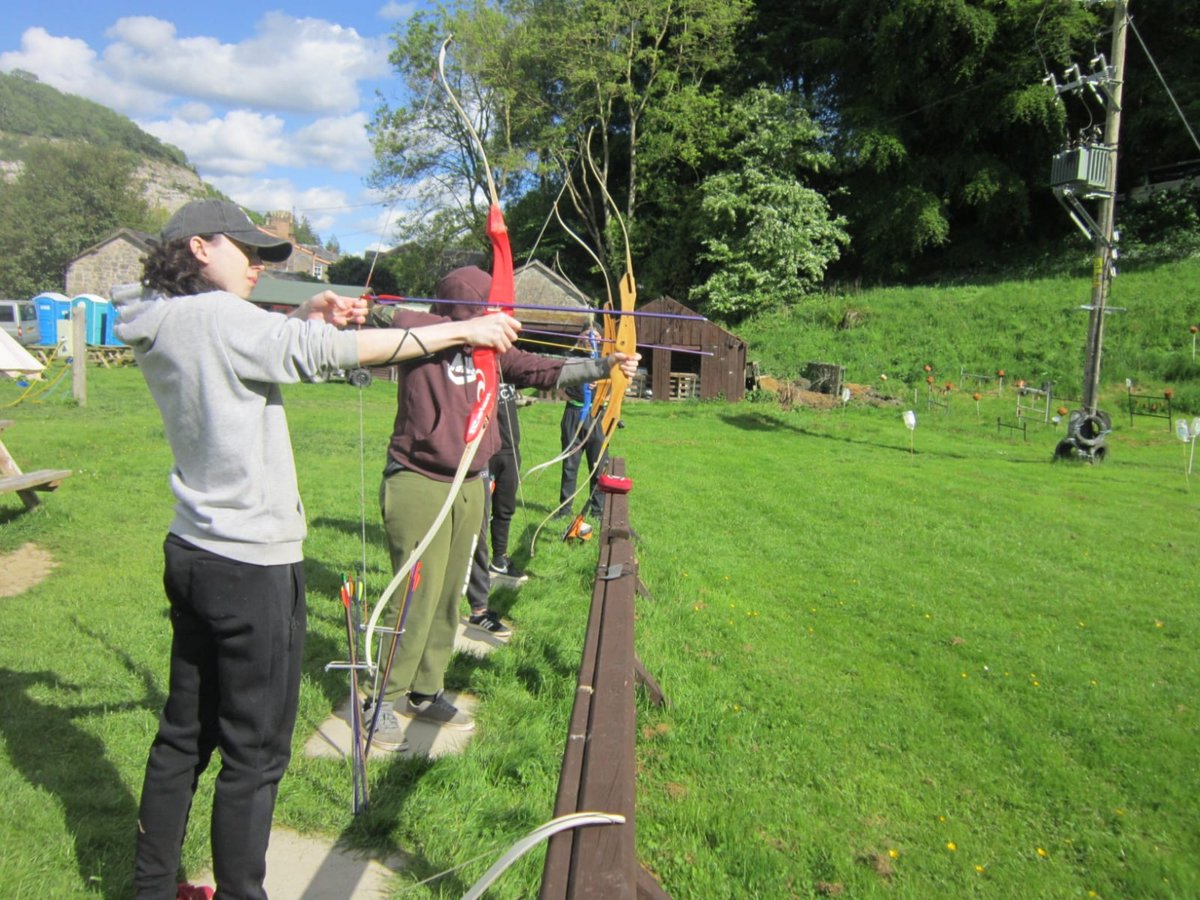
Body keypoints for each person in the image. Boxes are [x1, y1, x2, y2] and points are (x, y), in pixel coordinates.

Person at [115, 199, 520, 900]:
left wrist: (301, 318)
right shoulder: (218, 318)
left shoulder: (160, 316)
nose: (258, 267)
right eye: (246, 252)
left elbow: (253, 347)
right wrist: (468, 331)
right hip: (250, 564)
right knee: (256, 752)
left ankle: (151, 888)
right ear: (201, 247)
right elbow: (334, 353)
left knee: (184, 734)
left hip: (193, 551)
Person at [371, 265, 638, 747]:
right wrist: (464, 328)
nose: (498, 315)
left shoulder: (492, 350)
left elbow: (542, 369)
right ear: (463, 305)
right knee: (416, 596)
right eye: (488, 305)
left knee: (450, 594)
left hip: (471, 482)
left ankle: (425, 690)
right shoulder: (419, 339)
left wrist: (607, 365)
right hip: (420, 483)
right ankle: (381, 701)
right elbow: (385, 318)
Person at [462, 380, 524, 639]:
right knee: (478, 522)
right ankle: (477, 604)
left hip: (509, 451)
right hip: (485, 452)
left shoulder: (506, 366)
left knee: (505, 509)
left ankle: (499, 560)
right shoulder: (476, 369)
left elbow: (536, 371)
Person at [557, 329, 608, 531]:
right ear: (580, 339)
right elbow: (558, 384)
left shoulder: (605, 360)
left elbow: (618, 383)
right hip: (573, 414)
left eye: (595, 337)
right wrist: (572, 397)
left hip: (596, 417)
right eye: (588, 336)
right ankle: (563, 510)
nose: (591, 340)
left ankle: (597, 511)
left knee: (598, 465)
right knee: (570, 465)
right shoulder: (571, 359)